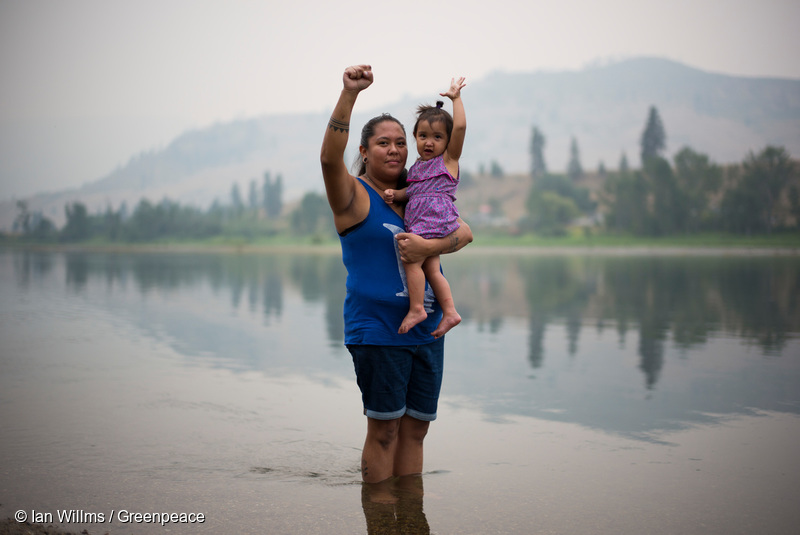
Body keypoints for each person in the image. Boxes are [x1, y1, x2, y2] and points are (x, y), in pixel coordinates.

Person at [320, 64, 473, 484]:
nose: (394, 150)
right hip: (378, 330)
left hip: (427, 329)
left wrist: (430, 247)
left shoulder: (421, 192)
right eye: (382, 143)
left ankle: (410, 511)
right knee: (385, 429)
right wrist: (349, 94)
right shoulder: (352, 196)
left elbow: (466, 233)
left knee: (416, 430)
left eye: (400, 143)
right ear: (365, 151)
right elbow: (329, 158)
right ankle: (381, 509)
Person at [383, 77, 467, 338]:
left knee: (411, 259)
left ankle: (417, 308)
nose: (429, 142)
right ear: (415, 138)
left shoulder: (448, 160)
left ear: (448, 141)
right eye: (423, 136)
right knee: (430, 269)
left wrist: (456, 99)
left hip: (435, 220)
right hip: (422, 222)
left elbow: (461, 127)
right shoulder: (418, 167)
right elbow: (415, 192)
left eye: (437, 137)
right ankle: (450, 312)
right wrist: (397, 194)